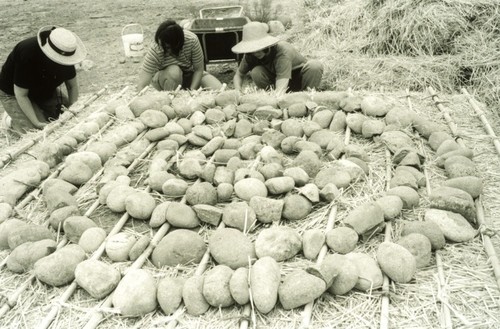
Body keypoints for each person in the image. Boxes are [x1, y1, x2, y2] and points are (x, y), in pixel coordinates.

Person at [0, 26, 87, 134]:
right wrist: (36, 123)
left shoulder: (66, 53)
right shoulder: (27, 53)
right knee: (38, 131)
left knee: (63, 119)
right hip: (14, 93)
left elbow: (72, 86)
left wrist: (73, 109)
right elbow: (21, 94)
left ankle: (38, 109)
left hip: (44, 89)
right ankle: (10, 121)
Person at [232, 21, 323, 95]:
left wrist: (279, 96)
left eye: (259, 48)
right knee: (256, 71)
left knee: (314, 66)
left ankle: (306, 96)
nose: (256, 52)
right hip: (277, 81)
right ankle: (271, 96)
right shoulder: (250, 55)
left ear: (266, 44)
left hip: (298, 79)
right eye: (252, 49)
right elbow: (239, 75)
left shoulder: (282, 51)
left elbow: (282, 83)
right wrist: (238, 92)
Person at [137, 20, 222, 92]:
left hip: (188, 74)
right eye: (160, 45)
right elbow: (142, 83)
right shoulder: (156, 48)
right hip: (166, 78)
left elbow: (198, 70)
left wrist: (192, 91)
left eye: (167, 47)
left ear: (177, 45)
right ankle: (172, 97)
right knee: (174, 71)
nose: (162, 49)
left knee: (218, 89)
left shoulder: (191, 40)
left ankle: (184, 91)